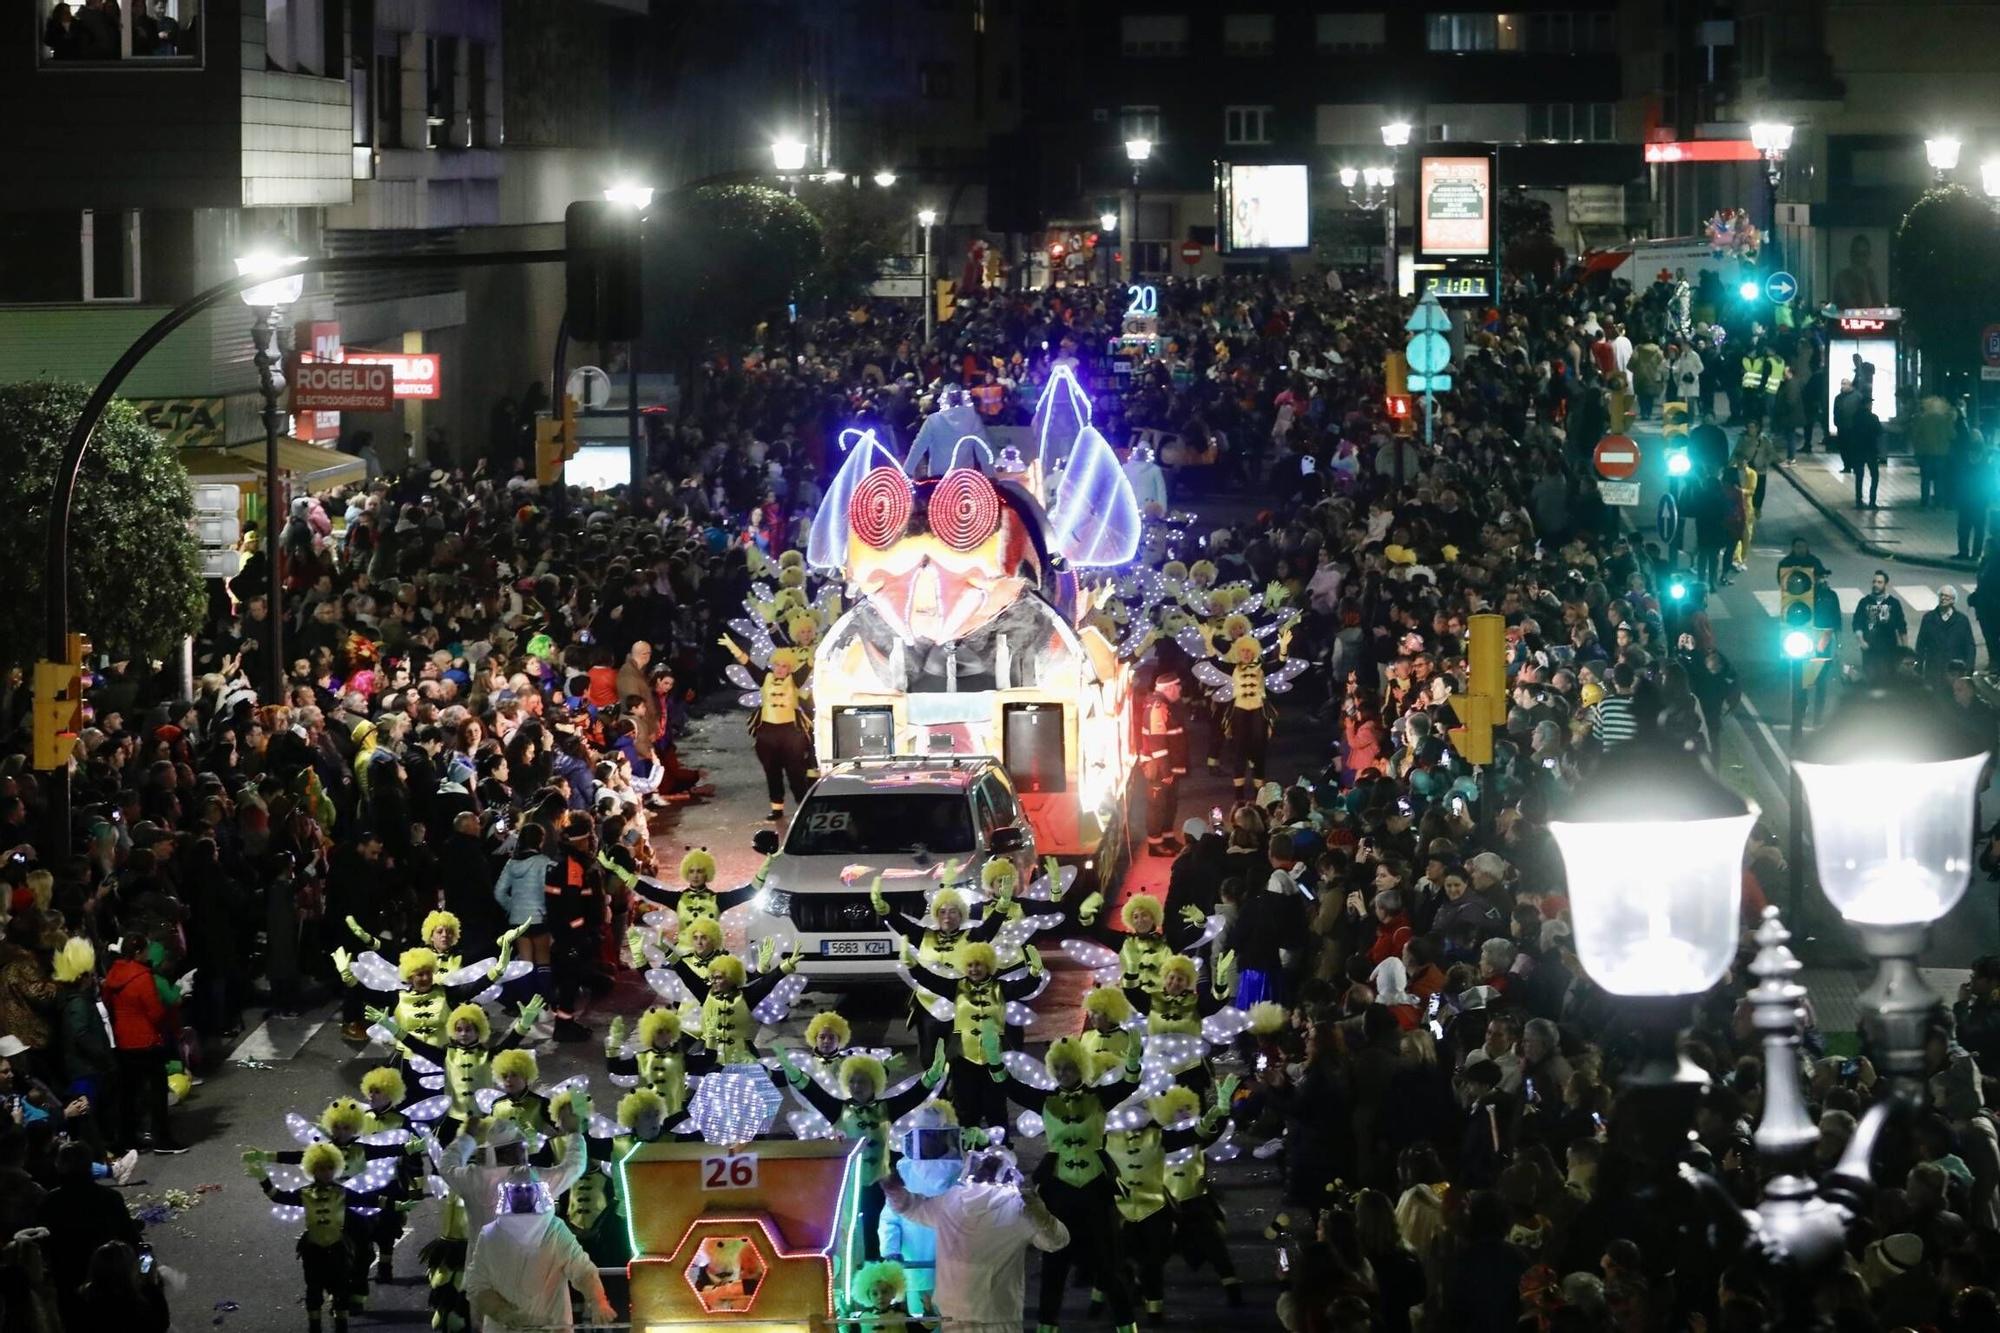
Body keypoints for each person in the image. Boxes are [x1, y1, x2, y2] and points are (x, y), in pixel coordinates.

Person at [879, 1145, 1070, 1333]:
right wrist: (1039, 1213)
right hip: (998, 1315)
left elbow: (912, 1208)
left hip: (958, 1313)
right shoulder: (1017, 1208)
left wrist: (892, 1186)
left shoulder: (953, 1201)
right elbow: (1057, 1241)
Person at [463, 1177, 617, 1332]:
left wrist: (598, 1301)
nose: (523, 1198)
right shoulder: (490, 1235)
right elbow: (477, 1285)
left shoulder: (555, 1230)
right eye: (518, 1194)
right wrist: (502, 1313)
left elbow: (582, 1270)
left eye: (527, 1193)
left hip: (552, 1327)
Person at [1141, 672, 1190, 855]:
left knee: (1170, 804)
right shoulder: (1158, 708)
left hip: (1170, 768)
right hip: (1161, 770)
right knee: (1157, 806)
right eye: (1178, 687)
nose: (1180, 690)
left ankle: (1168, 838)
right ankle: (1155, 844)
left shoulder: (1168, 706)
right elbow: (1157, 743)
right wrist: (1166, 771)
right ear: (1169, 688)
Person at [1916, 585, 1977, 689]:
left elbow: (1970, 646)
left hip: (1955, 672)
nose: (1943, 598)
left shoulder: (1962, 620)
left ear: (1953, 600)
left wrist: (1969, 670)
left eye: (1947, 596)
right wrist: (1919, 667)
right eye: (1941, 595)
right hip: (1934, 671)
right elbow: (1921, 645)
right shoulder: (1928, 618)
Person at [1853, 569, 1909, 680]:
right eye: (1874, 582)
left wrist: (1905, 650)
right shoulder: (1864, 602)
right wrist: (1861, 640)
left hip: (1889, 649)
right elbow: (1857, 623)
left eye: (1879, 582)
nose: (1875, 585)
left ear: (1885, 584)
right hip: (1870, 650)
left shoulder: (1893, 603)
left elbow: (1902, 627)